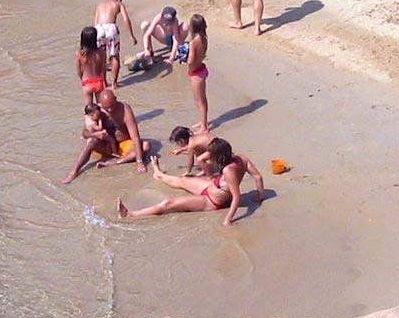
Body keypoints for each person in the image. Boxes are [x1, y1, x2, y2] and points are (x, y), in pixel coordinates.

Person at [117, 138, 265, 225]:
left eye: (211, 155)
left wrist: (228, 219)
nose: (209, 158)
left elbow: (237, 197)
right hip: (212, 186)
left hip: (211, 201)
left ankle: (130, 214)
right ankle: (159, 174)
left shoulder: (228, 171)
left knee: (168, 204)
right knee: (183, 180)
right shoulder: (242, 158)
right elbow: (258, 177)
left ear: (219, 156)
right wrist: (260, 195)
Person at [63, 89, 149, 183]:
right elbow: (84, 133)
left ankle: (115, 162)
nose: (110, 110)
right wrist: (94, 134)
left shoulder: (125, 109)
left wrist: (139, 162)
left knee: (145, 146)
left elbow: (135, 137)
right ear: (100, 103)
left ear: (116, 99)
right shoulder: (96, 110)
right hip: (106, 146)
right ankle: (74, 171)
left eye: (112, 106)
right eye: (107, 108)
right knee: (91, 141)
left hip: (123, 146)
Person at [93, 0, 137, 89]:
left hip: (99, 29)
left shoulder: (99, 5)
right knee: (115, 57)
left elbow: (95, 23)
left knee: (102, 57)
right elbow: (126, 19)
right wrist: (131, 35)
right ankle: (114, 84)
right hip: (110, 28)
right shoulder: (119, 4)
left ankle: (104, 83)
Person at [186, 14, 209, 133]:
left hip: (196, 73)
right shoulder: (204, 39)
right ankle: (203, 121)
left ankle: (204, 127)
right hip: (202, 69)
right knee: (202, 100)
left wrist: (184, 56)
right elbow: (203, 54)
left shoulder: (193, 43)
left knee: (199, 101)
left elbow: (190, 60)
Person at [76, 26, 107, 105]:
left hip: (87, 82)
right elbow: (103, 68)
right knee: (101, 105)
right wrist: (104, 81)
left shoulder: (80, 54)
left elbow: (78, 71)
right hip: (98, 80)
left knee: (88, 107)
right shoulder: (101, 52)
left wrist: (82, 79)